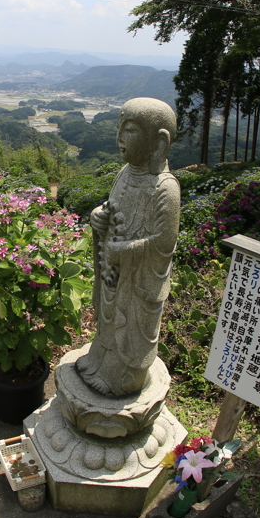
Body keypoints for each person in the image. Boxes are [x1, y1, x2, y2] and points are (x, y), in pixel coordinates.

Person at [75, 98, 180, 396]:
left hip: (137, 280)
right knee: (108, 317)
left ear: (159, 142)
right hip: (114, 269)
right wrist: (100, 216)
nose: (120, 138)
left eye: (130, 130)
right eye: (120, 128)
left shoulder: (165, 188)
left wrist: (126, 250)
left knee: (130, 323)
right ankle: (100, 359)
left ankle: (124, 375)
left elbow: (163, 242)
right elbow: (114, 207)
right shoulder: (123, 174)